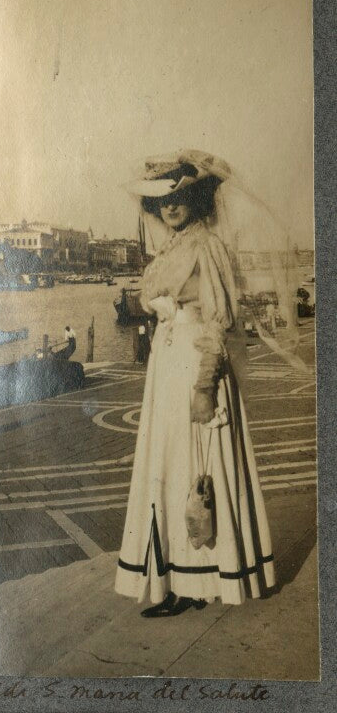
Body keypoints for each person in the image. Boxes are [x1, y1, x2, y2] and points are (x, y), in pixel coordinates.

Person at [115, 150, 275, 617]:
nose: (171, 206)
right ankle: (175, 577)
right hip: (166, 367)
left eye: (180, 196)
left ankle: (197, 580)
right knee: (170, 462)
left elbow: (218, 322)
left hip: (193, 366)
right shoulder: (171, 247)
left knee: (193, 464)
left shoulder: (208, 247)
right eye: (163, 199)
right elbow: (153, 298)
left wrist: (205, 387)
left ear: (197, 197)